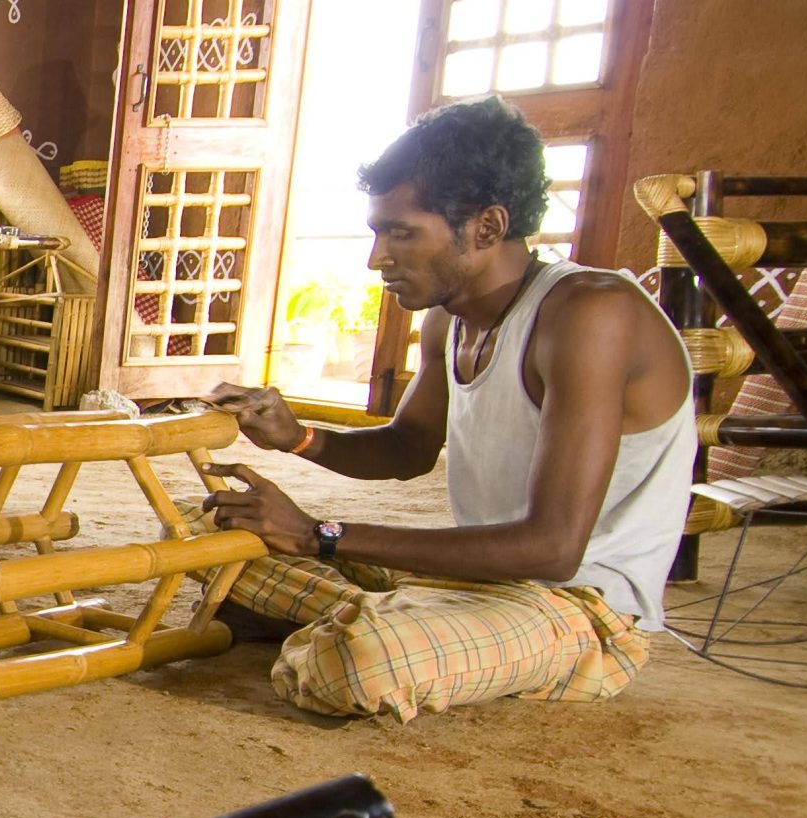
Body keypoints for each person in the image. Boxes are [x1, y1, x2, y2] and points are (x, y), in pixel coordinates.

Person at [202, 96, 695, 722]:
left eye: (401, 233)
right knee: (209, 538)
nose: (376, 258)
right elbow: (408, 448)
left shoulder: (589, 313)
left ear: (486, 227)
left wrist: (315, 536)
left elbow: (552, 549)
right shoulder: (448, 319)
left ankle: (381, 623)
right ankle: (405, 617)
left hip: (577, 606)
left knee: (352, 665)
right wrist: (298, 438)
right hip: (477, 581)